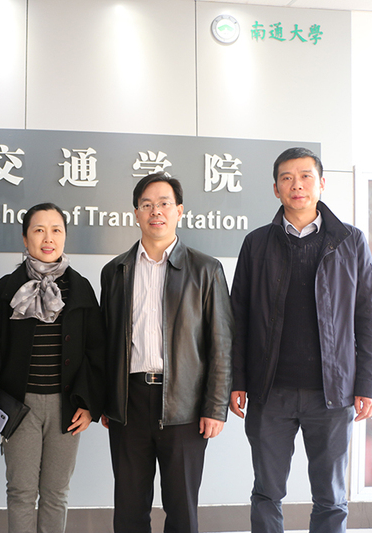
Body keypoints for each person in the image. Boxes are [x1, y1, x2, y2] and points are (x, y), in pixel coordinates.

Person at [230, 147, 372, 533]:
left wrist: (369, 383)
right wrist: (237, 380)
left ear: (321, 183)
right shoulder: (257, 243)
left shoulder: (350, 241)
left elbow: (369, 318)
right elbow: (237, 319)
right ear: (276, 188)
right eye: (287, 178)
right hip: (269, 391)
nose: (296, 185)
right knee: (267, 492)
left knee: (331, 497)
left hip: (332, 392)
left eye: (305, 176)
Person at [100, 171, 233, 533]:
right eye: (147, 205)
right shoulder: (115, 271)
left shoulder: (206, 269)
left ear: (179, 211)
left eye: (163, 204)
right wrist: (107, 401)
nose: (155, 211)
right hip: (129, 404)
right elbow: (106, 342)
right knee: (129, 510)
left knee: (182, 509)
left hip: (185, 406)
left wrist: (215, 407)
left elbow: (222, 343)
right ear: (136, 213)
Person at [0, 203, 105, 533]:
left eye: (56, 230)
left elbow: (95, 351)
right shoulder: (7, 288)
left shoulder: (81, 288)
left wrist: (90, 404)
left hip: (66, 407)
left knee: (56, 493)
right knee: (21, 492)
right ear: (25, 238)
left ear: (65, 237)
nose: (48, 238)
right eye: (39, 230)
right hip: (20, 405)